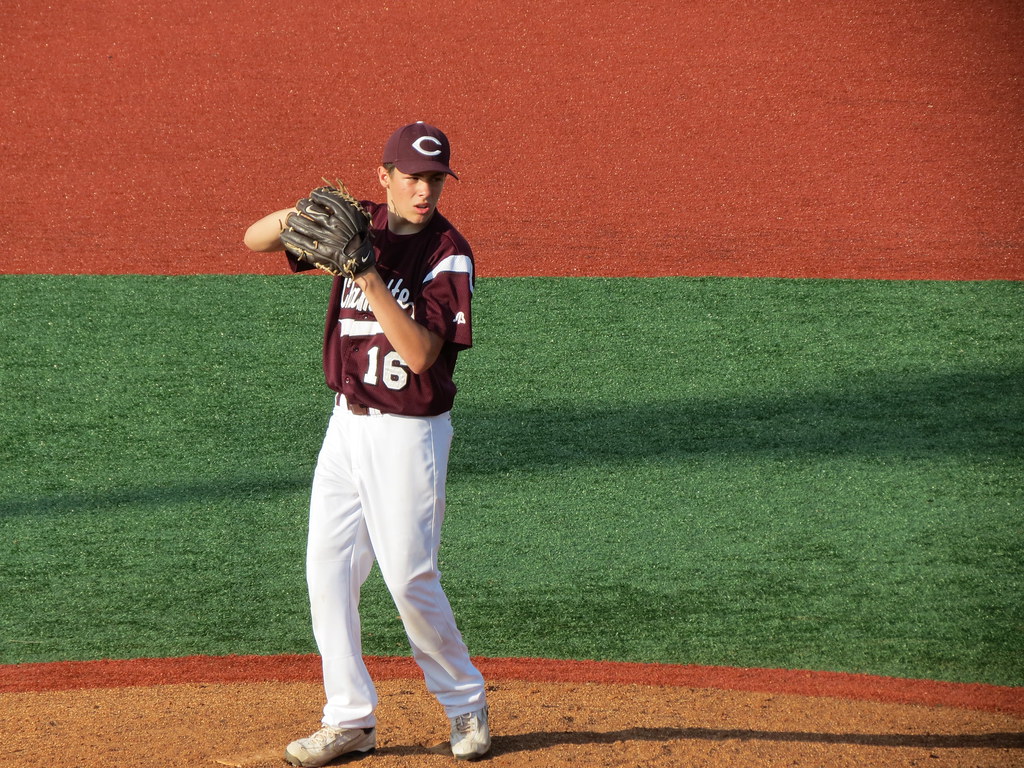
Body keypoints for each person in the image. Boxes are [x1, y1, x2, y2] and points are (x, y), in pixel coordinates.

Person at [243, 122, 490, 765]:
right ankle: (349, 718)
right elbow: (254, 239)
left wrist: (367, 273)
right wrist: (300, 215)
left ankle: (465, 702)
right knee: (327, 573)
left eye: (435, 179)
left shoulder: (447, 252)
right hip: (346, 425)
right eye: (412, 177)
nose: (424, 190)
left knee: (409, 579)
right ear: (385, 176)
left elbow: (420, 355)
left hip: (409, 434)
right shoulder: (360, 224)